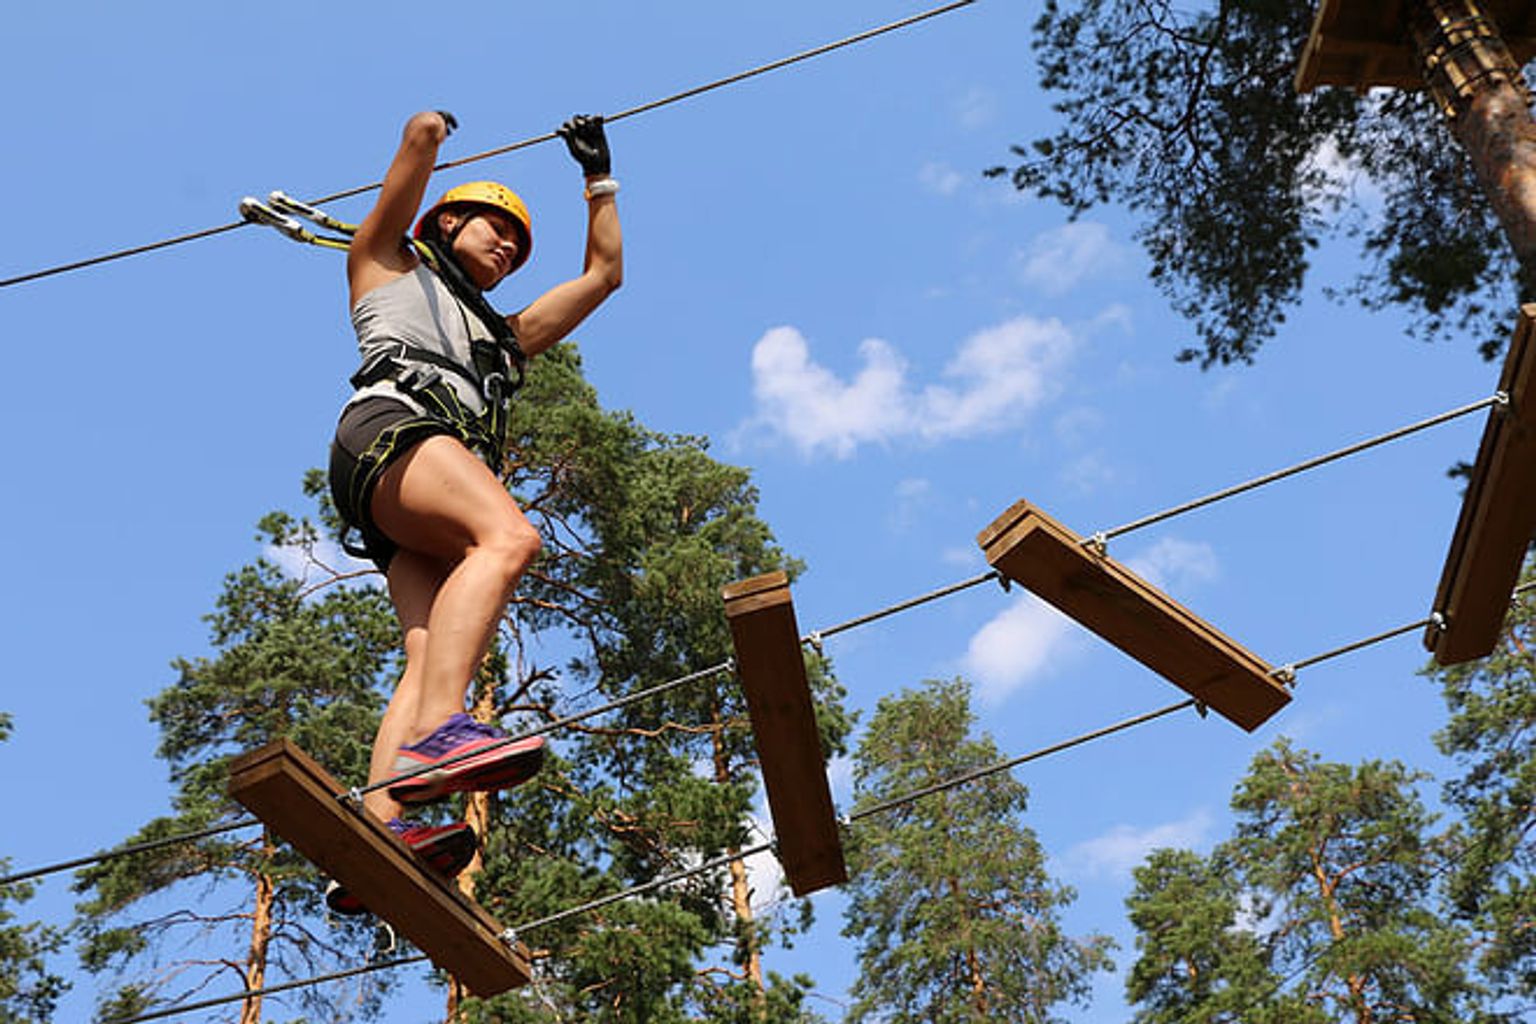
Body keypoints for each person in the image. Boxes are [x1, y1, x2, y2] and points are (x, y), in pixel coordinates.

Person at [323, 110, 621, 913]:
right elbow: (412, 154)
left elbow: (602, 278)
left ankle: (383, 822)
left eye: (521, 247)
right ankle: (440, 738)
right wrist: (428, 130)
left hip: (406, 491)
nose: (511, 248)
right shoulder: (386, 265)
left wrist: (599, 180)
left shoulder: (504, 337)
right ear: (448, 220)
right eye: (500, 229)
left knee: (423, 657)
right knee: (510, 536)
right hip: (391, 434)